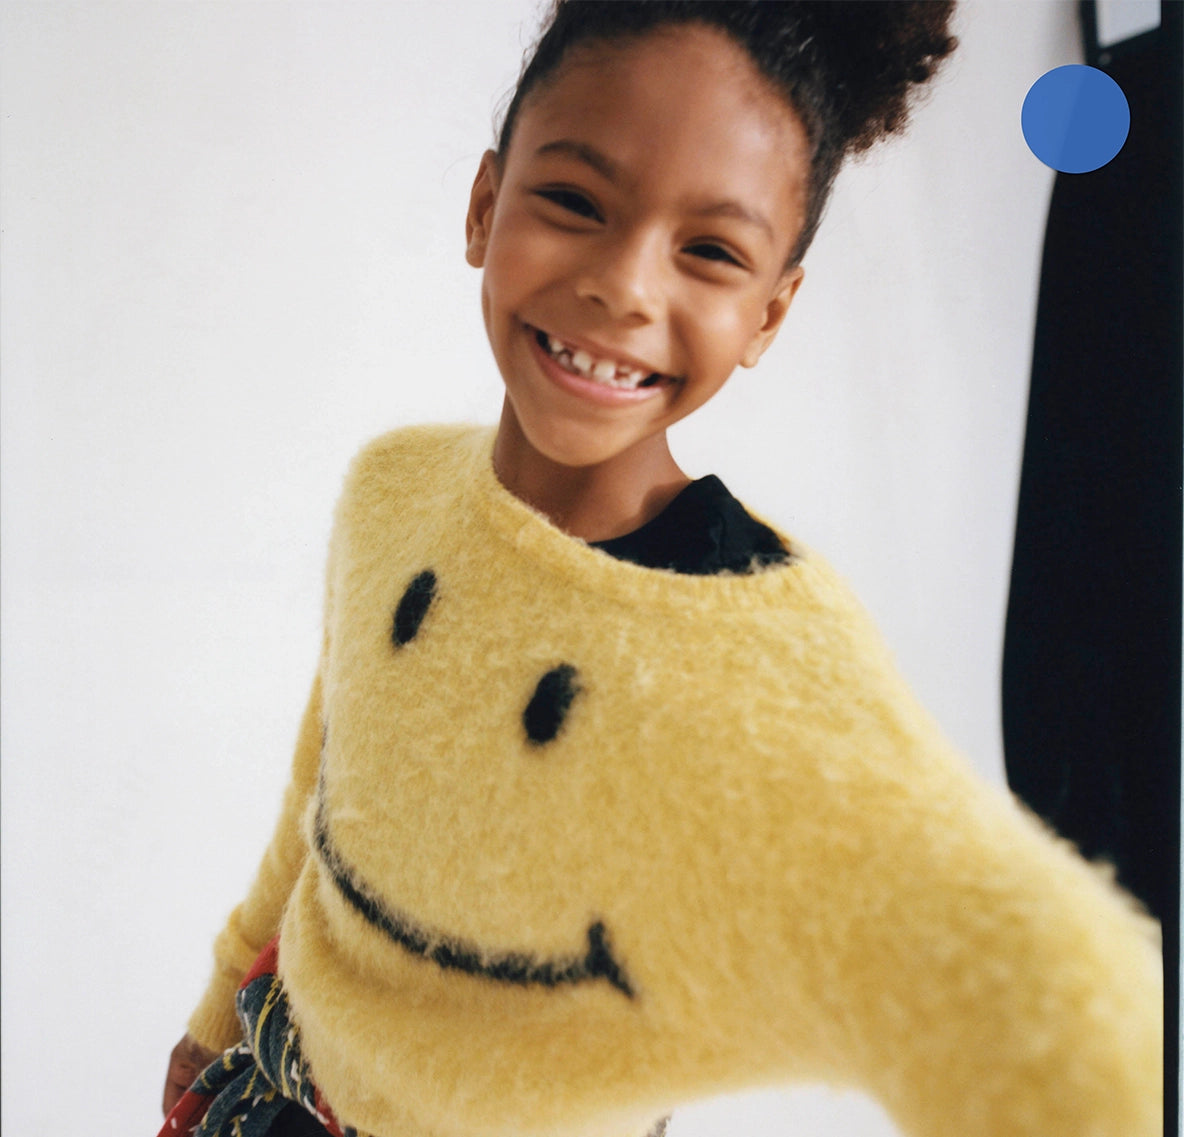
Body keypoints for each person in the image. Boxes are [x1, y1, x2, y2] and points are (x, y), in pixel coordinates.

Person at [160, 3, 1162, 1136]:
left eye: (711, 251)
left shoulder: (761, 655)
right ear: (484, 204)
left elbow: (1038, 986)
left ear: (769, 312)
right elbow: (324, 793)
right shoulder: (390, 490)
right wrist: (216, 1012)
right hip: (260, 1087)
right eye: (574, 201)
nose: (626, 285)